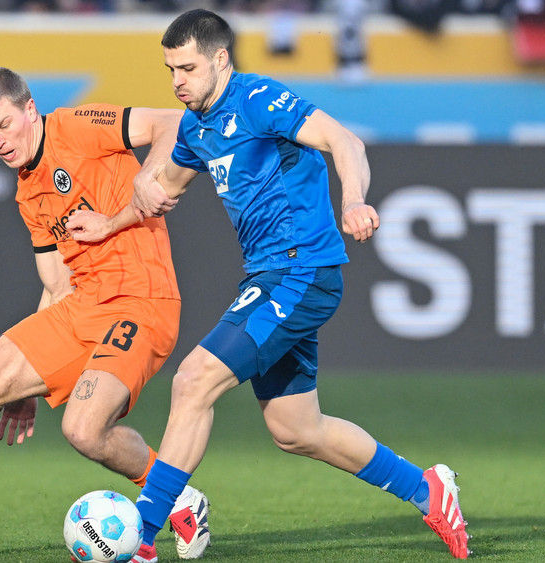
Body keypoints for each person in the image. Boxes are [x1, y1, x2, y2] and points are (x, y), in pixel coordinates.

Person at [67, 9, 470, 561]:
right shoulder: (195, 128)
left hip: (301, 268)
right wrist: (110, 224)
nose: (177, 81)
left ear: (221, 60)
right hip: (271, 273)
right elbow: (160, 191)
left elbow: (344, 140)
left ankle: (143, 533)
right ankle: (428, 491)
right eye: (170, 70)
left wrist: (352, 200)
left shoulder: (257, 97)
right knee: (296, 430)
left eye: (187, 68)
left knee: (193, 381)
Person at [0, 67, 211, 559]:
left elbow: (171, 121)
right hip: (83, 304)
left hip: (142, 301)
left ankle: (177, 497)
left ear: (30, 109)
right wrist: (27, 385)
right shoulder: (27, 189)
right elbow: (57, 283)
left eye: (3, 125)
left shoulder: (76, 126)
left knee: (83, 430)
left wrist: (146, 180)